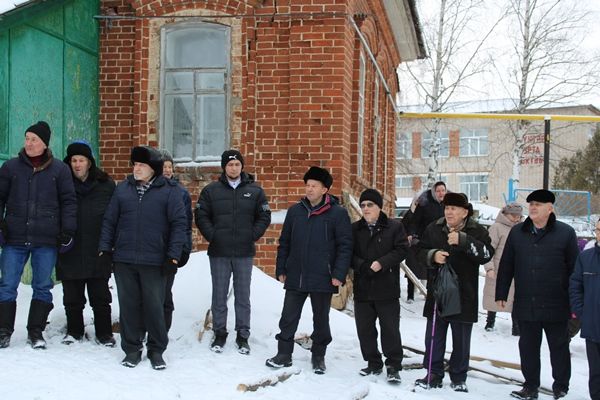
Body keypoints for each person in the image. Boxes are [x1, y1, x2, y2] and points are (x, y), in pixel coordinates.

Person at [99, 146, 187, 370]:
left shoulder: (170, 191)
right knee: (128, 307)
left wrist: (173, 257)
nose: (136, 169)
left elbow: (179, 226)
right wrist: (105, 250)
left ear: (153, 169)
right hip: (125, 258)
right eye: (135, 164)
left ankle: (156, 350)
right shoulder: (123, 189)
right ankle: (131, 349)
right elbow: (110, 221)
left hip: (155, 260)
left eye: (141, 165)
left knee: (154, 307)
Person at [266, 166, 352, 374]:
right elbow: (284, 242)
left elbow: (345, 246)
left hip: (323, 276)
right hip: (296, 274)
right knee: (288, 317)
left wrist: (338, 274)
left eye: (314, 186)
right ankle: (284, 354)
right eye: (307, 185)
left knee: (320, 319)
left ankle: (318, 356)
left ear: (325, 190)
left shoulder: (337, 214)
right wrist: (281, 268)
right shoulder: (296, 211)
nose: (309, 189)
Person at [496, 189, 579, 400]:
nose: (533, 207)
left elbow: (574, 270)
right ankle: (530, 386)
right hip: (527, 301)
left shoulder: (566, 233)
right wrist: (501, 291)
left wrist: (574, 301)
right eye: (531, 203)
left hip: (556, 302)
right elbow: (507, 263)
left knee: (559, 347)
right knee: (528, 347)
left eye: (538, 204)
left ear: (550, 209)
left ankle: (561, 387)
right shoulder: (518, 232)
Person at [0, 121, 77, 349]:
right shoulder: (11, 168)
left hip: (46, 239)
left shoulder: (59, 170)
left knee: (42, 285)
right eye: (27, 138)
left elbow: (69, 202)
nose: (29, 143)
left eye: (34, 139)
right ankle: (3, 330)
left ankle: (36, 332)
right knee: (7, 284)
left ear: (44, 144)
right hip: (15, 237)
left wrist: (67, 231)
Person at [414, 192, 493, 392]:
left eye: (454, 208)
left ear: (465, 212)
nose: (449, 212)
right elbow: (419, 252)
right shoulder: (434, 227)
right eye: (447, 208)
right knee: (434, 335)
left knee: (461, 338)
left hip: (464, 293)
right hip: (438, 291)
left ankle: (458, 376)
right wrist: (433, 256)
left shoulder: (477, 230)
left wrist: (464, 241)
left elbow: (486, 255)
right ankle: (433, 372)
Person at [195, 149, 271, 354]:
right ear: (224, 167)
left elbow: (264, 216)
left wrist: (251, 235)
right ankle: (220, 333)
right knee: (219, 294)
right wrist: (214, 235)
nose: (234, 168)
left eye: (237, 164)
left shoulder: (255, 191)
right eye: (230, 165)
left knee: (243, 295)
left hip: (244, 252)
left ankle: (242, 335)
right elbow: (201, 216)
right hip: (219, 251)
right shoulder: (211, 191)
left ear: (242, 166)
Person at [57, 141, 116, 346]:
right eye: (73, 160)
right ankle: (74, 331)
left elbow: (113, 216)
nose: (77, 164)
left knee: (100, 296)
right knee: (72, 297)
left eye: (81, 160)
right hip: (70, 247)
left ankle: (104, 333)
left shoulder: (105, 184)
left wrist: (109, 244)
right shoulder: (61, 183)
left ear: (90, 163)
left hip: (97, 247)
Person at [351, 189, 408, 383]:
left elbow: (402, 250)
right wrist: (362, 265)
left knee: (390, 329)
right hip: (363, 286)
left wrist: (382, 263)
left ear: (379, 207)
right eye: (363, 205)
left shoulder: (394, 227)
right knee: (365, 329)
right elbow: (348, 253)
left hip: (387, 288)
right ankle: (373, 362)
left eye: (370, 205)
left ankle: (393, 365)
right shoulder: (355, 229)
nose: (366, 209)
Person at [158, 149, 193, 333]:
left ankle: (163, 330)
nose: (167, 170)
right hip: (151, 250)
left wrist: (184, 249)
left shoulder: (181, 193)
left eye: (170, 167)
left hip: (170, 251)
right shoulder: (148, 190)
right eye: (164, 167)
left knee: (165, 292)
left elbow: (186, 224)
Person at [570, 217, 600, 400]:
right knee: (596, 375)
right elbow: (575, 286)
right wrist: (583, 313)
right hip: (593, 327)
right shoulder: (586, 258)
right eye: (598, 230)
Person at [481, 202, 523, 334]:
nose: (516, 218)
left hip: (516, 270)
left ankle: (516, 326)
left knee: (516, 299)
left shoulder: (522, 228)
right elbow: (488, 249)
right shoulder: (496, 228)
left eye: (518, 216)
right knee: (493, 295)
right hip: (499, 269)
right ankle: (490, 321)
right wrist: (489, 268)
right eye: (513, 216)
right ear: (505, 214)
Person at [406, 182, 447, 302]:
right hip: (423, 239)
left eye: (443, 190)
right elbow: (414, 221)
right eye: (438, 191)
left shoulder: (447, 205)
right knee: (414, 266)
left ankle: (432, 295)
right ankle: (410, 294)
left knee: (435, 268)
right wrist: (412, 234)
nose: (441, 193)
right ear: (434, 192)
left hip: (440, 241)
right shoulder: (425, 203)